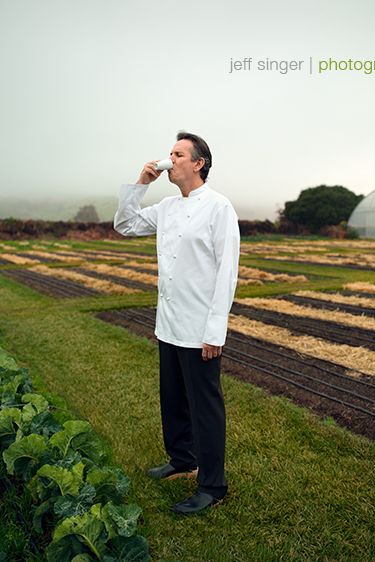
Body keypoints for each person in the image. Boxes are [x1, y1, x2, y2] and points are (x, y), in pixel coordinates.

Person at [113, 131, 240, 514]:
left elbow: (226, 273)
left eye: (178, 153)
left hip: (200, 326)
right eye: (170, 152)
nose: (170, 158)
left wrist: (215, 331)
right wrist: (140, 184)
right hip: (168, 321)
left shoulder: (219, 208)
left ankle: (213, 485)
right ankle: (182, 459)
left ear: (198, 163)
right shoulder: (167, 207)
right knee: (172, 398)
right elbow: (125, 225)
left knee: (205, 406)